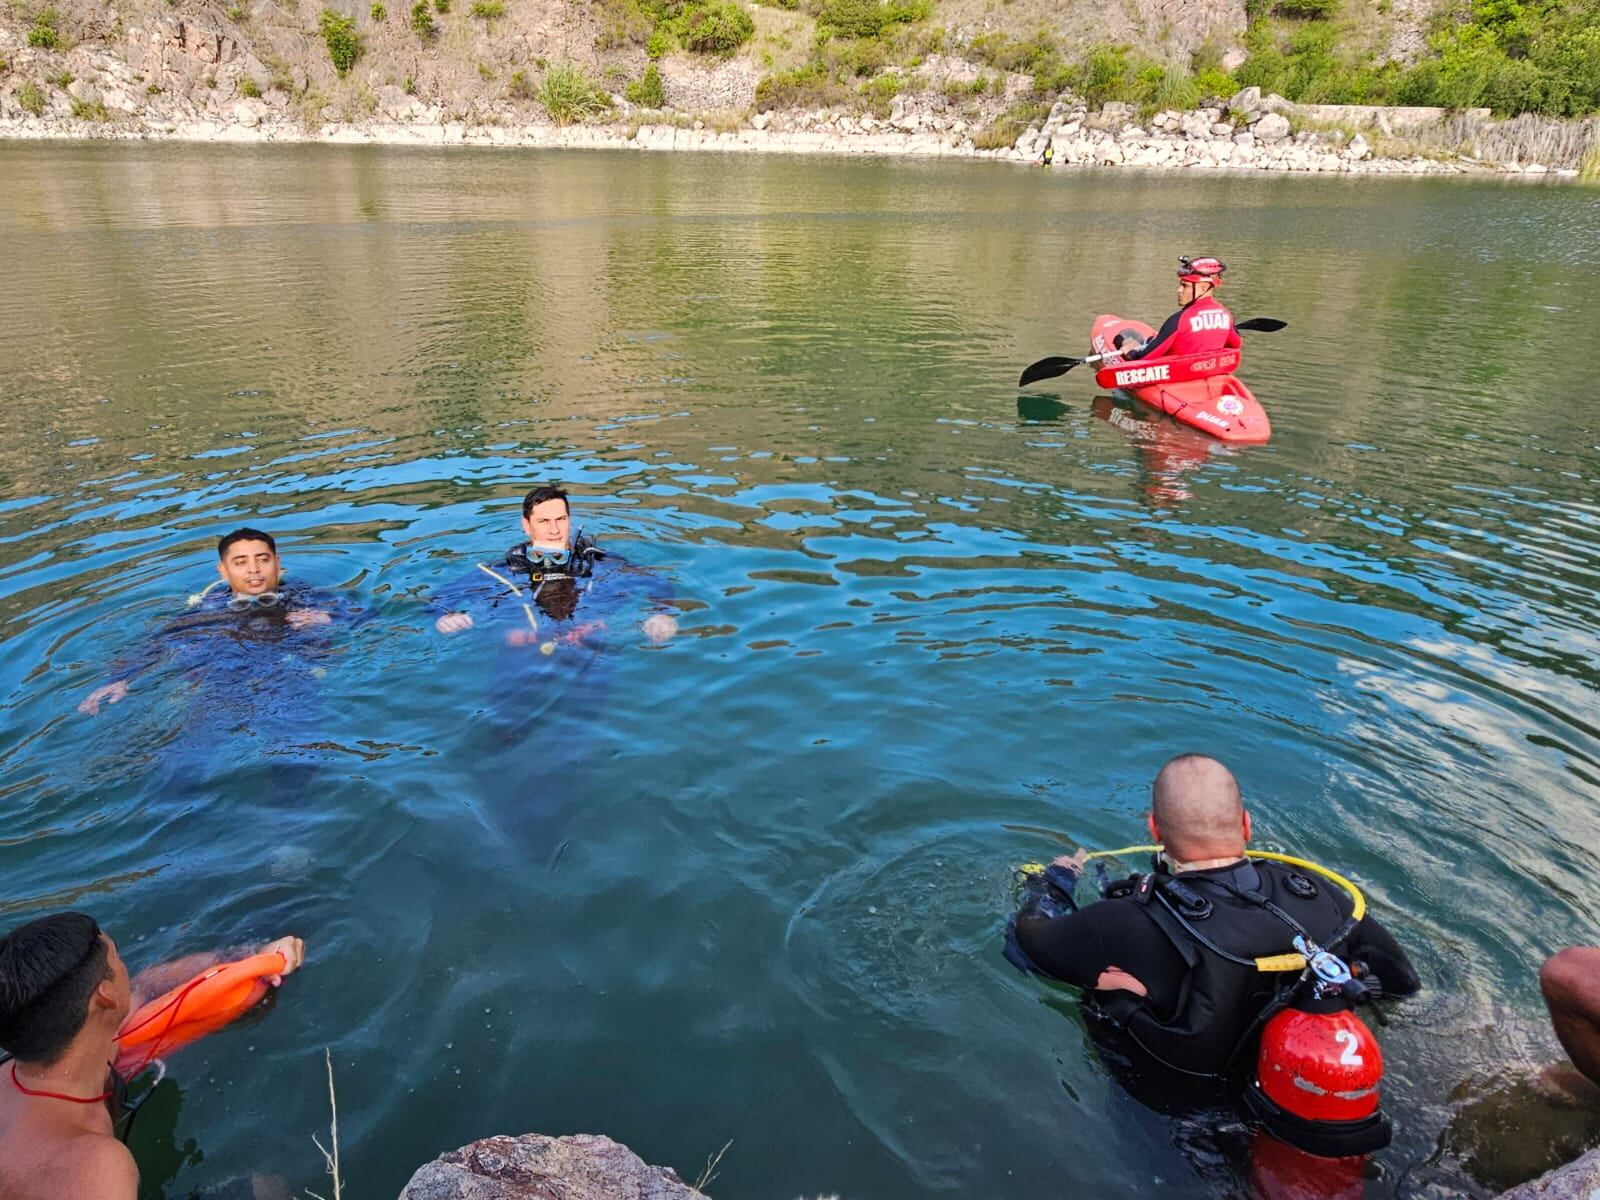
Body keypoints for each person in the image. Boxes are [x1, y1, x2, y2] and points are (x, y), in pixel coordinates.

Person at [1010, 753, 1420, 1079]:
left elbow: (1028, 941)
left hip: (1181, 1131)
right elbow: (1404, 984)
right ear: (1247, 824)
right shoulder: (1321, 894)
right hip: (1310, 1097)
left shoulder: (1121, 924)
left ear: (1154, 829)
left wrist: (1053, 881)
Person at [0, 912, 303, 1200]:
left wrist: (252, 958)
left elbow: (148, 985)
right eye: (117, 958)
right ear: (105, 996)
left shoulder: (48, 1054)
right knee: (268, 1191)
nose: (126, 969)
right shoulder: (96, 1169)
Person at [78, 528, 350, 716]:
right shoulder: (209, 607)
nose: (254, 569)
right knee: (187, 758)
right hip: (222, 684)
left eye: (262, 559)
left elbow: (365, 613)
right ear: (224, 570)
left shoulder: (303, 596)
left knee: (297, 755)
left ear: (277, 563)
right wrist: (121, 678)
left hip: (289, 680)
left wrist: (328, 617)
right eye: (241, 562)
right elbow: (161, 640)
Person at [432, 484, 678, 647]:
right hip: (523, 654)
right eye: (544, 521)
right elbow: (438, 600)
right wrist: (446, 617)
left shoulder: (600, 563)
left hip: (590, 651)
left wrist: (662, 613)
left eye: (561, 519)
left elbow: (657, 583)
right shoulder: (501, 572)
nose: (554, 530)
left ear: (570, 521)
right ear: (526, 525)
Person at [1119, 255, 1243, 363]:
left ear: (1203, 288)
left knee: (1122, 337)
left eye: (1185, 286)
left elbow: (1143, 358)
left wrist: (1130, 350)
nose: (1179, 290)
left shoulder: (1178, 321)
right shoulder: (1226, 314)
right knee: (1151, 340)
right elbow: (1236, 345)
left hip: (1174, 379)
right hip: (1207, 374)